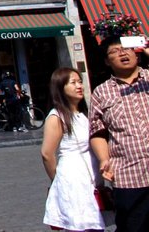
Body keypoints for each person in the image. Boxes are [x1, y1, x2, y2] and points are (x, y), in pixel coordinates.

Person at [89, 35, 149, 232]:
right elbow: (97, 131)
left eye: (127, 49)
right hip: (128, 175)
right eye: (114, 51)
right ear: (107, 61)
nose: (122, 53)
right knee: (132, 226)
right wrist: (103, 159)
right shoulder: (101, 92)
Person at [42, 67, 104, 232]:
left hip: (91, 179)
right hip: (73, 181)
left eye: (80, 82)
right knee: (82, 226)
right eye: (73, 82)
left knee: (95, 226)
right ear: (60, 88)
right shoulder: (57, 116)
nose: (79, 86)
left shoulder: (84, 113)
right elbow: (47, 154)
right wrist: (58, 181)